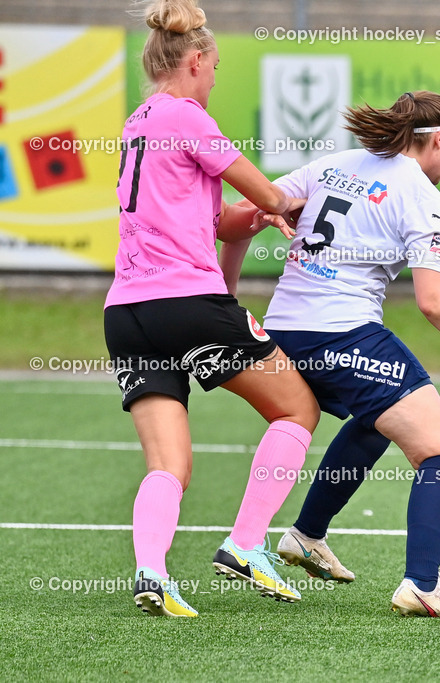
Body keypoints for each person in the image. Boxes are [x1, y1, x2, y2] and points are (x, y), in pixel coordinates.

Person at [220, 91, 440, 619]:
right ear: (439, 138)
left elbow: (247, 214)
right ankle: (421, 585)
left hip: (285, 330)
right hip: (341, 334)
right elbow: (434, 304)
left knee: (378, 421)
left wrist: (229, 281)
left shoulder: (336, 162)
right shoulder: (421, 196)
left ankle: (306, 536)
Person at [104, 0, 320, 617]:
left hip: (127, 313)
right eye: (216, 66)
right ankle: (247, 544)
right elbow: (274, 194)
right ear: (195, 60)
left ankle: (152, 573)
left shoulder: (137, 122)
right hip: (186, 304)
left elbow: (218, 219)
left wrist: (251, 219)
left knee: (167, 463)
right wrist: (301, 201)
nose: (216, 77)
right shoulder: (189, 118)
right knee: (297, 408)